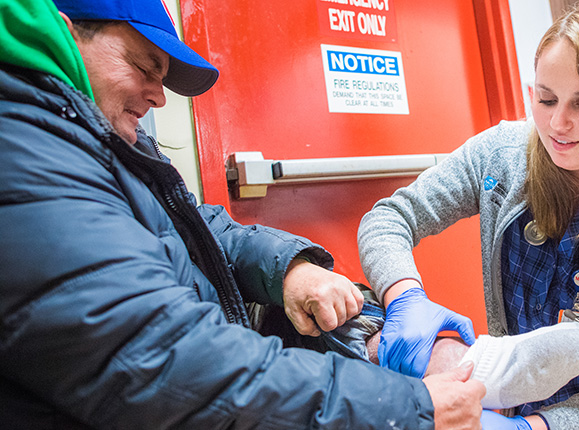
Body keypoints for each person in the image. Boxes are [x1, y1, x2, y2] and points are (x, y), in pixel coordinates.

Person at [0, 0, 486, 428]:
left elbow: (195, 225)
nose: (158, 96)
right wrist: (404, 409)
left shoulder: (88, 134)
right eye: (144, 67)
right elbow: (163, 363)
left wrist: (289, 270)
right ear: (66, 32)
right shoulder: (26, 147)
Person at [358, 2, 579, 429]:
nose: (558, 123)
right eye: (546, 98)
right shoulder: (500, 158)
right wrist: (403, 296)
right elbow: (390, 218)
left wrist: (534, 429)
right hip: (529, 406)